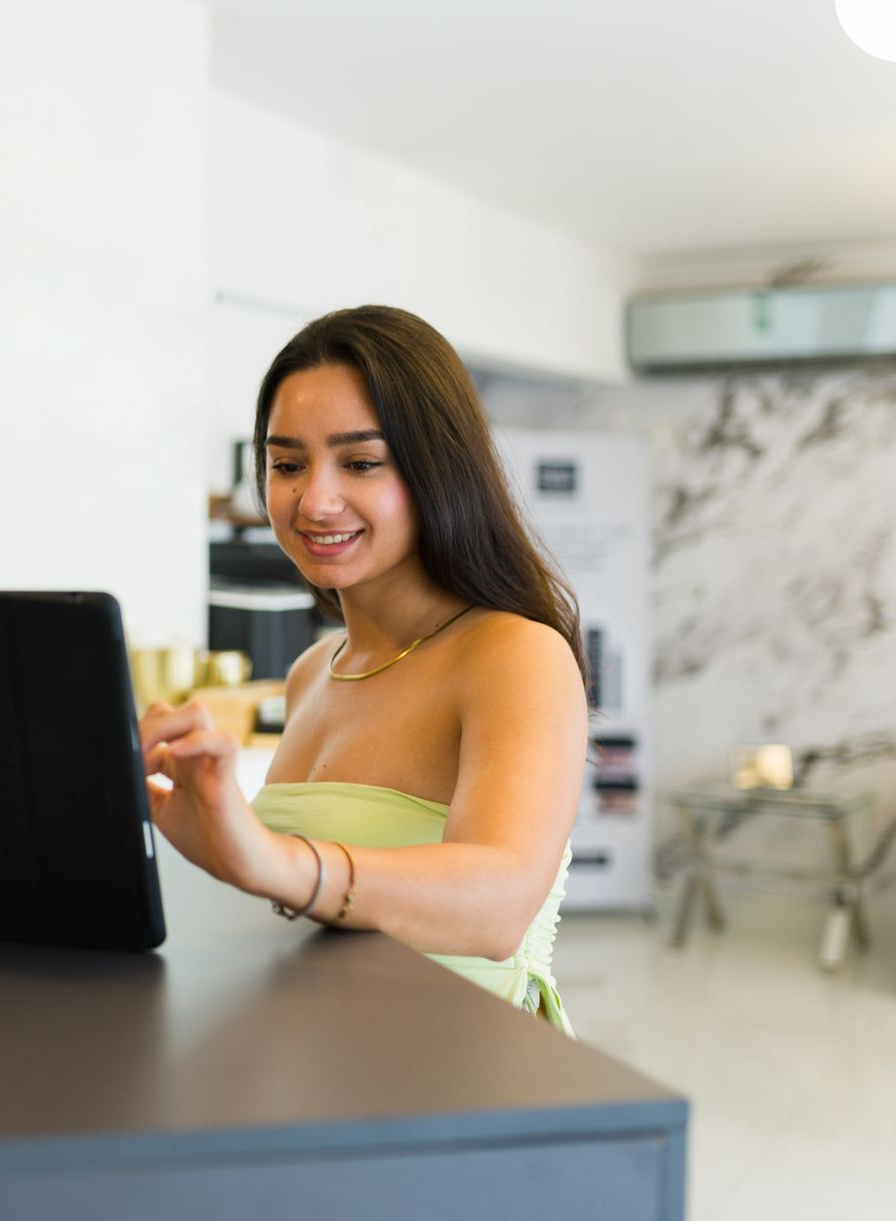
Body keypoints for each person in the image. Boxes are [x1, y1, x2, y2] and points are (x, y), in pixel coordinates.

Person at [140, 305, 585, 1033]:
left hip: (457, 1089)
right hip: (326, 1064)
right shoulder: (316, 670)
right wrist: (185, 826)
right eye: (287, 465)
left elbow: (500, 905)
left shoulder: (514, 653)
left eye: (361, 463)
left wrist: (277, 860)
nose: (313, 500)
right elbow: (300, 908)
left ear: (438, 469)